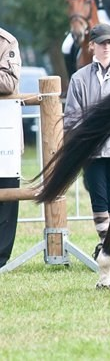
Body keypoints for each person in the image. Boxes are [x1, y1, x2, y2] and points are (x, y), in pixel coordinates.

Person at [64, 23, 110, 259]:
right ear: (91, 46)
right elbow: (72, 116)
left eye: (109, 42)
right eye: (101, 43)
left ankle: (109, 245)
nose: (106, 47)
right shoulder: (79, 78)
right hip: (92, 150)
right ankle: (107, 244)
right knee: (98, 198)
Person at [0, 27, 21, 268]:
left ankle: (1, 259)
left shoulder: (6, 41)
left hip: (4, 133)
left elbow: (9, 82)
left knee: (6, 199)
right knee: (70, 45)